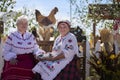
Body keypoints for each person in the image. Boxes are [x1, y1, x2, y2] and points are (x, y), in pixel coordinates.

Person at [1, 15, 45, 80]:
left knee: (29, 68)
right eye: (21, 23)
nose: (24, 25)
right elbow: (5, 50)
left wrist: (40, 54)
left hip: (28, 59)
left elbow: (35, 49)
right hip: (15, 58)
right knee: (12, 68)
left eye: (26, 23)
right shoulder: (12, 36)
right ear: (17, 25)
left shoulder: (30, 36)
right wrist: (11, 58)